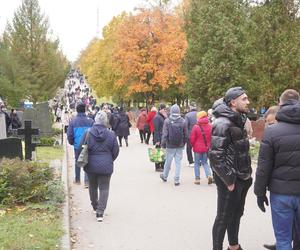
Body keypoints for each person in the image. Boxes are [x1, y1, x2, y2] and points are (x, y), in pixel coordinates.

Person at [254, 89, 300, 250]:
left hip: (281, 194)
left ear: (280, 104)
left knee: (283, 240)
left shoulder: (272, 132)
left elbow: (263, 167)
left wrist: (259, 193)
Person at [209, 87, 252, 250]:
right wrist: (229, 180)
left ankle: (234, 246)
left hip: (242, 177)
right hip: (230, 180)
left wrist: (247, 176)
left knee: (236, 214)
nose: (248, 102)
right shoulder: (221, 123)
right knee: (223, 217)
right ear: (233, 102)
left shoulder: (238, 119)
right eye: (244, 99)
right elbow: (215, 156)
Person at [79, 111, 119, 222]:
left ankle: (95, 206)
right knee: (104, 188)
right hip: (106, 165)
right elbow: (115, 151)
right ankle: (100, 212)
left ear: (95, 120)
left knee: (92, 186)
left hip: (91, 164)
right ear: (106, 121)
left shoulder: (88, 132)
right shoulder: (111, 134)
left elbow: (80, 148)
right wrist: (109, 159)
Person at [159, 104, 188, 186]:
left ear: (171, 111)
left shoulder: (167, 121)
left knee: (168, 161)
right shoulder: (183, 121)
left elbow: (164, 134)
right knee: (178, 162)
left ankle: (165, 176)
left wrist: (162, 144)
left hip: (170, 145)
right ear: (179, 111)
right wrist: (183, 143)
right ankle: (176, 180)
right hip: (180, 145)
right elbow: (186, 135)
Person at [67, 102, 94, 186]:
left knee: (77, 161)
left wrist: (72, 142)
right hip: (88, 144)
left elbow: (70, 135)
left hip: (77, 145)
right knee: (87, 161)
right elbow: (94, 133)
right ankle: (87, 181)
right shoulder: (91, 121)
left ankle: (77, 179)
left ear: (77, 110)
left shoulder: (73, 121)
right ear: (85, 110)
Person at [189, 111, 213, 185]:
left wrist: (192, 145)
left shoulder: (196, 127)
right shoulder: (210, 126)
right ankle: (209, 175)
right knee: (205, 162)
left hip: (197, 148)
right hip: (206, 148)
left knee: (196, 163)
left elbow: (192, 138)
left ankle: (197, 179)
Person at [153, 104, 167, 172]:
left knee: (162, 152)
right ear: (160, 109)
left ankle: (163, 165)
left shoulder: (162, 116)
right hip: (159, 137)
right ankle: (158, 166)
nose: (165, 111)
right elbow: (156, 129)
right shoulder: (157, 117)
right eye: (164, 109)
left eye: (165, 109)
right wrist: (157, 140)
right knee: (158, 152)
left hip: (163, 137)